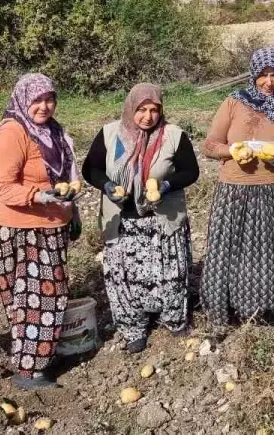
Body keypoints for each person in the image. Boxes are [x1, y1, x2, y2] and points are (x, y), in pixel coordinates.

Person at [200, 48, 274, 333]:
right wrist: (232, 150)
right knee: (231, 253)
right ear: (254, 75)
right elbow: (210, 144)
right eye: (263, 75)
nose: (269, 82)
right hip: (236, 191)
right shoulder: (234, 103)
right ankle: (226, 312)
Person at [82, 83, 200, 354]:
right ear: (129, 108)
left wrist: (167, 185)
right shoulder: (110, 134)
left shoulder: (173, 135)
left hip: (161, 218)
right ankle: (133, 328)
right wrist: (108, 186)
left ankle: (174, 320)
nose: (148, 116)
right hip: (122, 221)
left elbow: (191, 171)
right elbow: (92, 169)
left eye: (154, 110)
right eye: (141, 110)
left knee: (171, 273)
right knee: (123, 277)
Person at [0, 73, 82, 390]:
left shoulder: (52, 131)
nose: (44, 106)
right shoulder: (12, 132)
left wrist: (72, 210)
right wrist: (40, 197)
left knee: (51, 296)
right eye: (37, 100)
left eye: (49, 99)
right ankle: (29, 371)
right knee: (35, 299)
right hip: (25, 229)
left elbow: (64, 177)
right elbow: (2, 188)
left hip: (52, 224)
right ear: (22, 100)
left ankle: (40, 355)